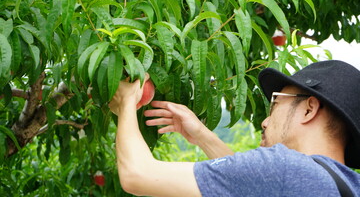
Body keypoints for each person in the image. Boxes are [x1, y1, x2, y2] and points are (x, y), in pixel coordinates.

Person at [109, 60, 360, 196]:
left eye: (275, 103)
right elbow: (254, 185)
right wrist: (203, 137)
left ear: (308, 109)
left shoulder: (284, 169)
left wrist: (126, 101)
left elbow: (137, 175)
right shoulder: (349, 184)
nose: (264, 121)